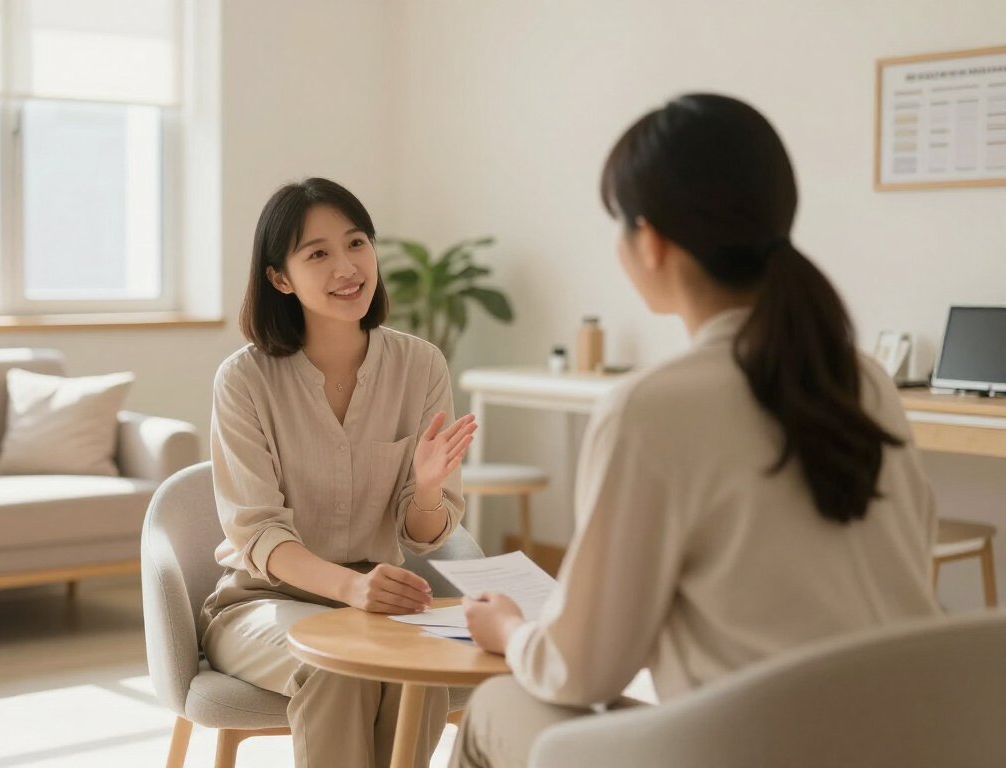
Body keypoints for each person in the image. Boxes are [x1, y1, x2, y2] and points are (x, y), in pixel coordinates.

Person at [451, 94, 941, 768]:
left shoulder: (652, 408)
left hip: (746, 750)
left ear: (649, 239)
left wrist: (508, 627)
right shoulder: (866, 381)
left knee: (498, 708)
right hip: (909, 742)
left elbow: (584, 669)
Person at [201, 177, 476, 768]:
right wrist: (351, 589)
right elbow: (258, 534)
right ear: (280, 278)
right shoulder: (244, 381)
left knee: (412, 669)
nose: (347, 266)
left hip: (377, 601)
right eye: (317, 253)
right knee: (337, 666)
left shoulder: (420, 365)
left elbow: (423, 533)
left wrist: (427, 487)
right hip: (263, 602)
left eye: (357, 243)